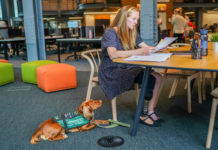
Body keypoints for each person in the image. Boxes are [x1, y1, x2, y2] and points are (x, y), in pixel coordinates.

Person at [98, 5, 165, 127]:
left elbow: (145, 47)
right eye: (134, 19)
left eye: (137, 20)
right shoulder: (111, 32)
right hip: (112, 70)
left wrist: (158, 49)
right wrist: (138, 52)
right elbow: (113, 55)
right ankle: (142, 113)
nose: (136, 22)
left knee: (158, 77)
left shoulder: (132, 32)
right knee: (150, 78)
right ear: (124, 18)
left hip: (126, 67)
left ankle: (150, 111)